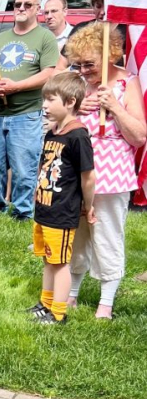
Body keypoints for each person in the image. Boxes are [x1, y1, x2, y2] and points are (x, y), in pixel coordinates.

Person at [64, 22, 146, 319]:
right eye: (79, 64)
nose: (83, 70)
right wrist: (76, 109)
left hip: (112, 173)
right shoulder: (77, 84)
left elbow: (139, 136)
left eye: (89, 64)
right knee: (75, 234)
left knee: (107, 234)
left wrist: (114, 106)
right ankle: (71, 293)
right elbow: (54, 121)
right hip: (76, 172)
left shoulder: (128, 82)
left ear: (109, 55)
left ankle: (106, 303)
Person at [0, 0, 58, 221]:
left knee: (24, 166)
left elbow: (48, 74)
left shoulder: (45, 38)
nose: (21, 8)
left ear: (37, 9)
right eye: (17, 4)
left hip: (26, 113)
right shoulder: (0, 38)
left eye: (27, 5)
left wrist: (16, 86)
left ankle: (23, 211)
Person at [29, 73, 95, 325]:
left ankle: (58, 313)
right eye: (43, 100)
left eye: (49, 99)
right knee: (48, 258)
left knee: (60, 263)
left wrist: (88, 207)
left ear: (70, 101)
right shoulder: (53, 133)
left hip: (62, 211)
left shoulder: (78, 136)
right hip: (45, 207)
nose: (44, 105)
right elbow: (44, 165)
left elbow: (88, 176)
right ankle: (44, 304)